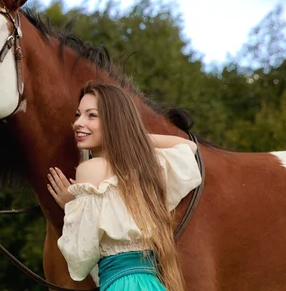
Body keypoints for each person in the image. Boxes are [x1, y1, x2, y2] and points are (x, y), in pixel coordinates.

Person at [47, 83, 202, 291]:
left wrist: (72, 208)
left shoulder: (90, 169)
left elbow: (80, 259)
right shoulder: (145, 171)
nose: (77, 123)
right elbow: (188, 147)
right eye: (78, 115)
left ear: (114, 122)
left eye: (91, 115)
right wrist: (133, 138)